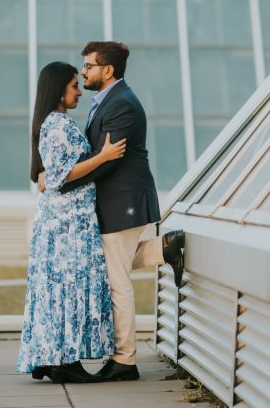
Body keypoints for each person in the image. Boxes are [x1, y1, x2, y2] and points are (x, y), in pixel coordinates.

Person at [48, 41, 185, 382]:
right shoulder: (109, 100)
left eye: (89, 66)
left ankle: (125, 360)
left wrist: (64, 180)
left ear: (107, 70)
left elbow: (109, 160)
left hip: (123, 202)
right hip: (118, 202)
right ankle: (162, 248)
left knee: (116, 281)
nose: (83, 72)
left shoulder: (121, 104)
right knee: (112, 266)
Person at [17, 61, 125, 383]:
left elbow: (49, 173)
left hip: (60, 220)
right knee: (71, 286)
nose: (78, 91)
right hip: (68, 223)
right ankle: (66, 361)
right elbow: (61, 176)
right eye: (74, 85)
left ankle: (49, 356)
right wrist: (103, 157)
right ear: (59, 90)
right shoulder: (58, 125)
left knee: (55, 288)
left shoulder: (52, 123)